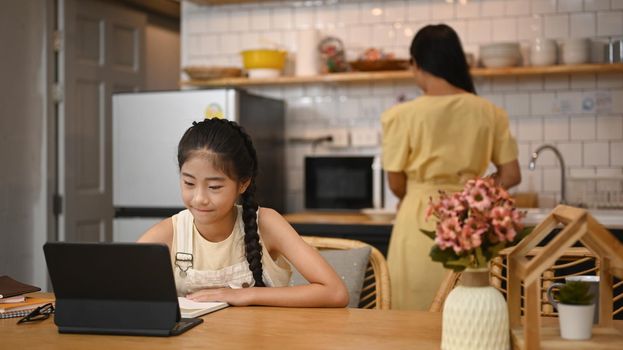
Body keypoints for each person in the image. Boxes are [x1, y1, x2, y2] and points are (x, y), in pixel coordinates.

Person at [381, 24, 521, 310]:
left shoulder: (401, 115)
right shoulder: (489, 112)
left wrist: (417, 194)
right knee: (470, 305)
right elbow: (511, 174)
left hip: (418, 217)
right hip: (470, 222)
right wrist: (476, 194)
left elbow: (395, 183)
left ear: (417, 64)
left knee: (412, 308)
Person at [139, 118, 348, 307]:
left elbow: (335, 292)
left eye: (214, 187)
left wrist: (246, 295)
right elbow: (115, 289)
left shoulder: (266, 224)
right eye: (189, 183)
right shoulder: (169, 233)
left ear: (243, 184)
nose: (199, 198)